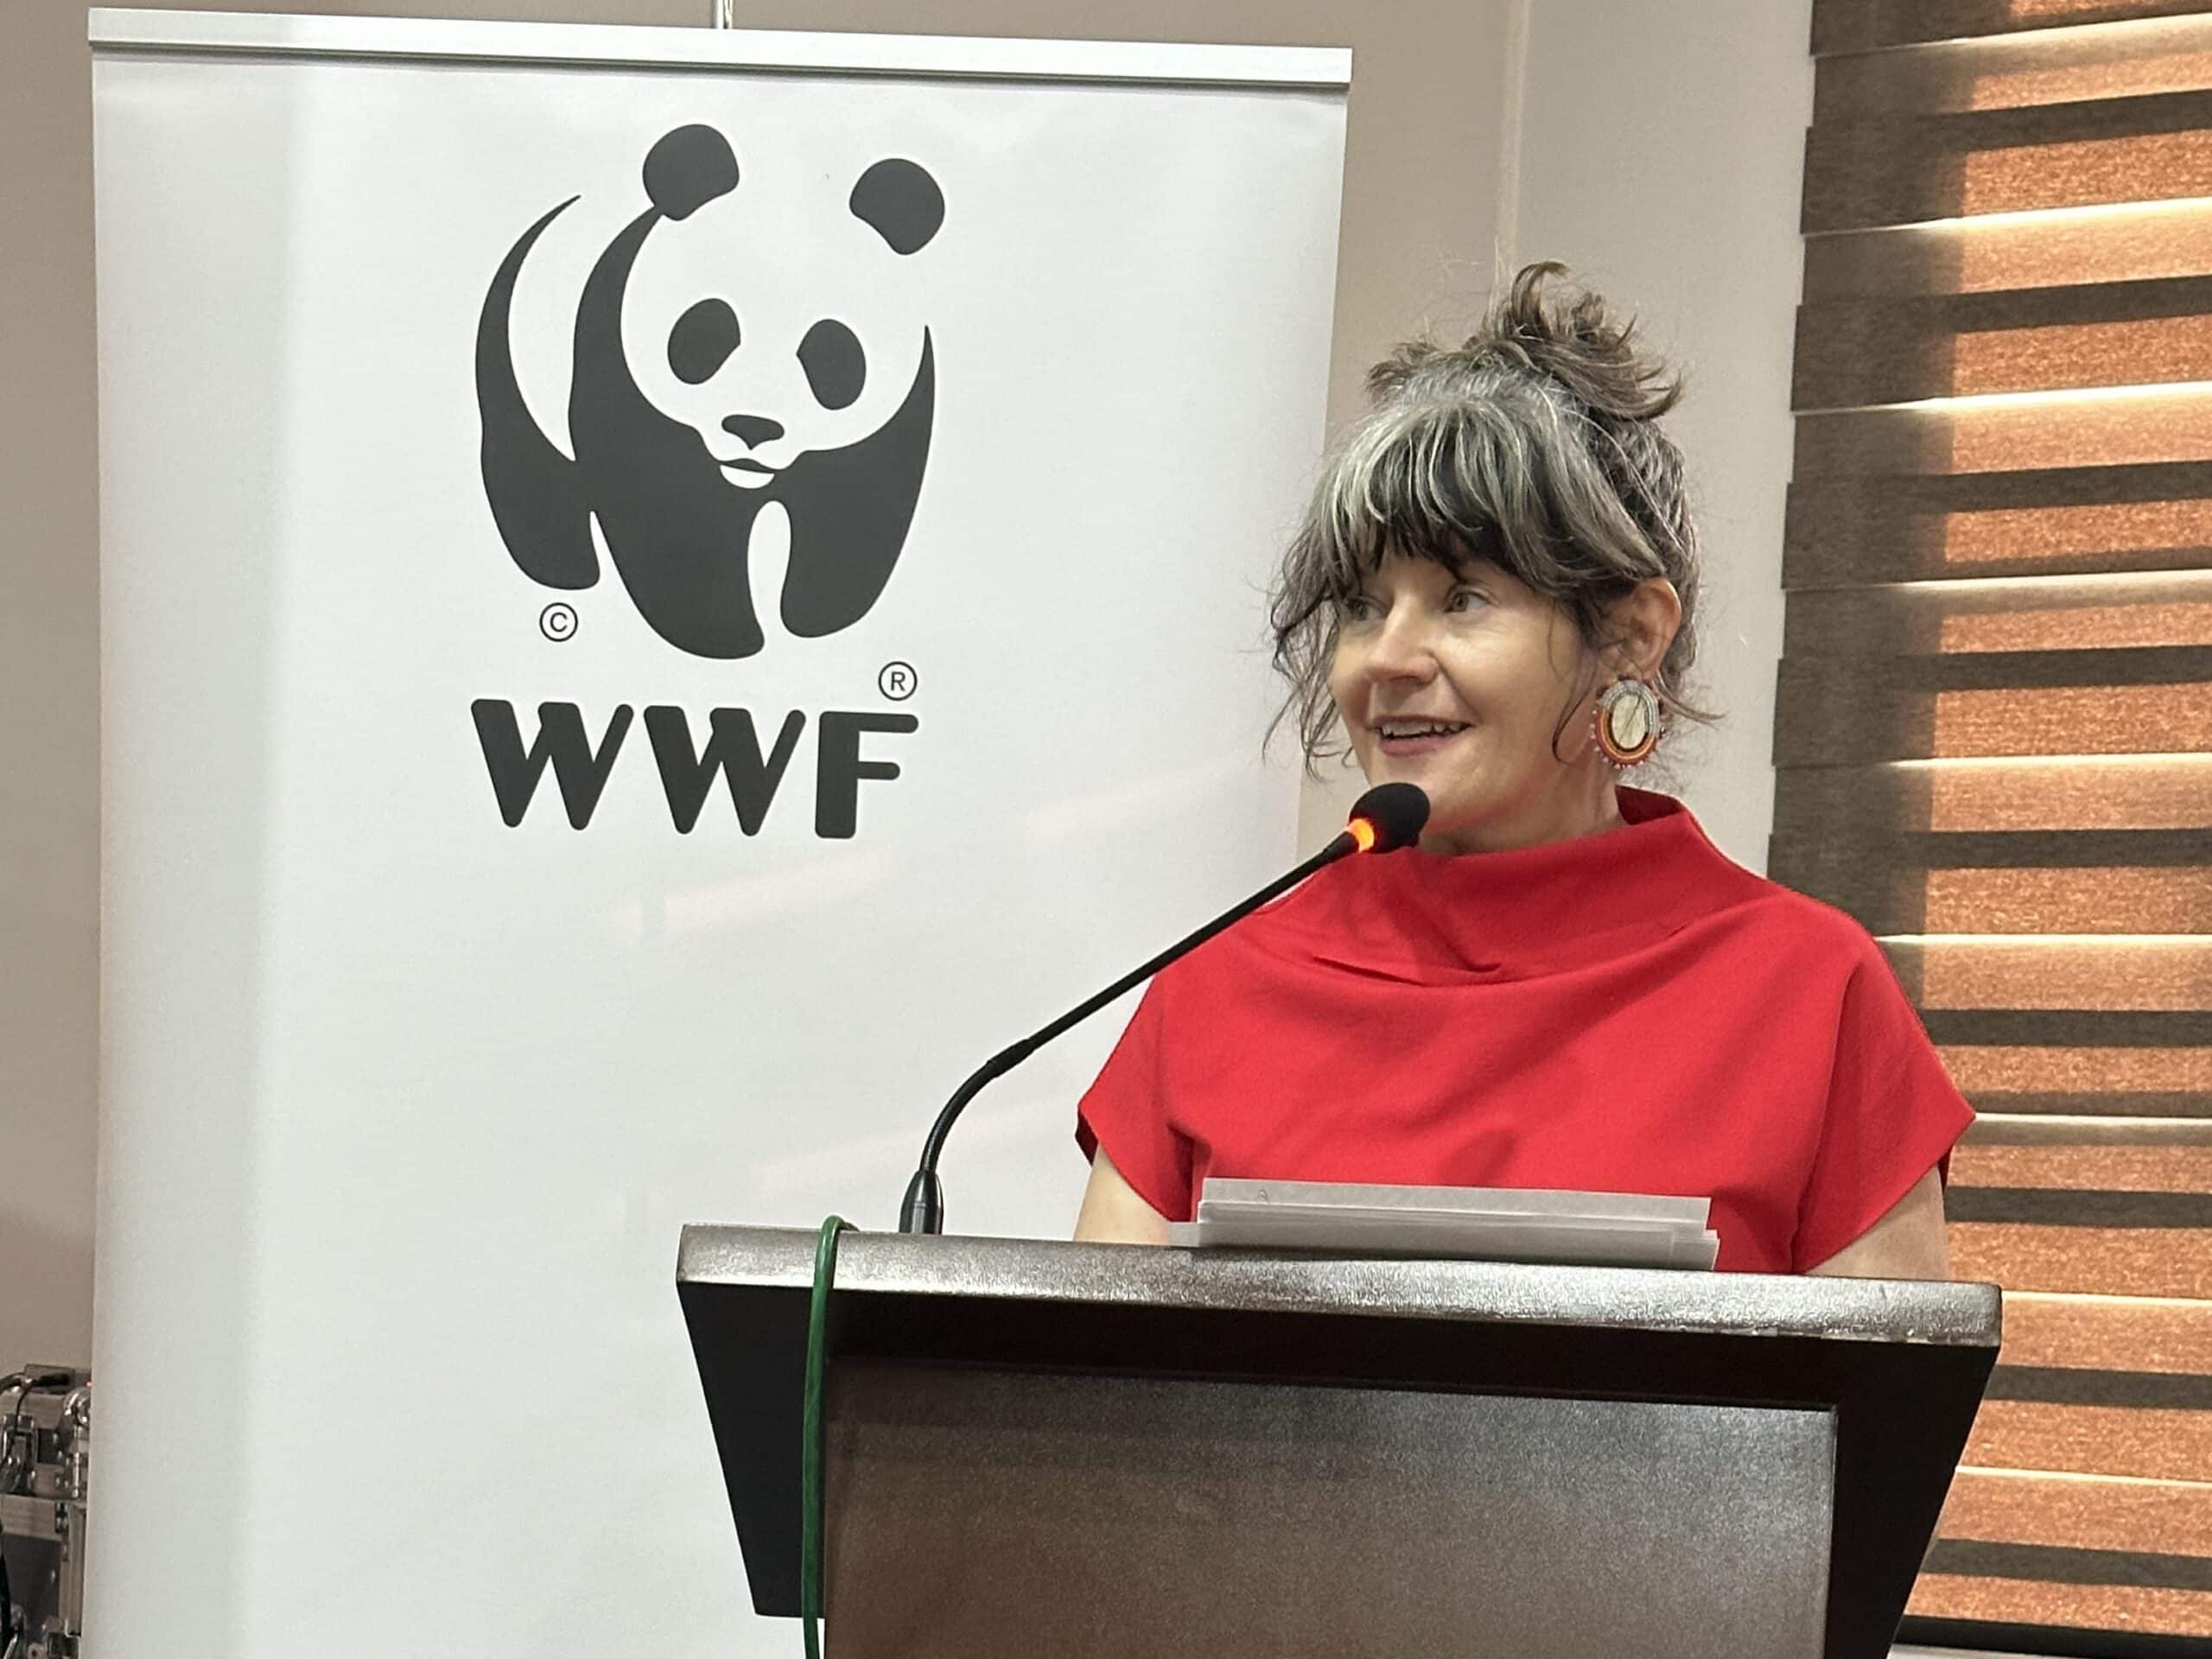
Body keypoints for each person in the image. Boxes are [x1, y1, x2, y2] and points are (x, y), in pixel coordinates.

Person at [1072, 264, 1967, 1277]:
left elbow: (1879, 1428)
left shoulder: (1811, 995)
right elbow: (1091, 1422)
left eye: (1461, 598)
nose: (1388, 660)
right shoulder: (1213, 989)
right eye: (1365, 605)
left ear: (1630, 636)